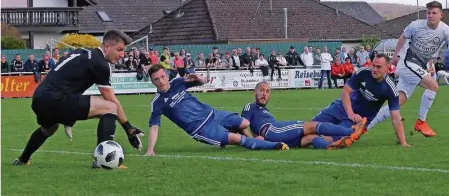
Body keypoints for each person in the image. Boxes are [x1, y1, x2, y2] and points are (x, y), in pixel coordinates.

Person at [13, 30, 144, 168]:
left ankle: (23, 159)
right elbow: (112, 101)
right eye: (119, 50)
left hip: (39, 98)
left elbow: (62, 75)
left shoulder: (80, 52)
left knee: (49, 129)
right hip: (57, 98)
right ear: (106, 47)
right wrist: (128, 128)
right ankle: (102, 162)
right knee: (109, 107)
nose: (122, 55)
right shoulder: (100, 63)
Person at [144, 64, 289, 156]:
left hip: (213, 114)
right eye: (156, 79)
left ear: (167, 75)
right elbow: (154, 128)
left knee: (244, 123)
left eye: (162, 77)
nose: (161, 81)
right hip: (202, 129)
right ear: (152, 82)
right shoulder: (157, 103)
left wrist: (199, 78)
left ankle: (252, 141)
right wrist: (150, 149)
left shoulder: (178, 83)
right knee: (237, 138)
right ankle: (275, 146)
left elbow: (204, 82)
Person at [367, 1, 449, 137]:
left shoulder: (446, 30)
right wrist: (395, 55)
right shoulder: (416, 25)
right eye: (428, 12)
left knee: (397, 102)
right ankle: (421, 122)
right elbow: (402, 38)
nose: (430, 15)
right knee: (433, 86)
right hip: (407, 63)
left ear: (441, 15)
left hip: (418, 66)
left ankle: (365, 126)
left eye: (434, 13)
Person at [312, 54, 411, 147]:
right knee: (310, 126)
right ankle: (303, 137)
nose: (374, 69)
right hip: (343, 107)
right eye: (373, 65)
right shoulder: (363, 72)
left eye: (379, 67)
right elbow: (345, 92)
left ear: (387, 67)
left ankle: (309, 140)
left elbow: (396, 117)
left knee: (328, 141)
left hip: (359, 121)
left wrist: (403, 143)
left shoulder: (390, 88)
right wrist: (351, 113)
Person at [241, 82, 365, 150]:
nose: (264, 94)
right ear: (254, 92)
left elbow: (253, 128)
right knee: (312, 126)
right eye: (261, 90)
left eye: (267, 91)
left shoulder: (264, 110)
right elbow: (242, 124)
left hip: (277, 135)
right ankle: (351, 131)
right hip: (273, 130)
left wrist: (257, 137)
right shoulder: (250, 106)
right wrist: (252, 139)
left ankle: (330, 147)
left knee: (311, 137)